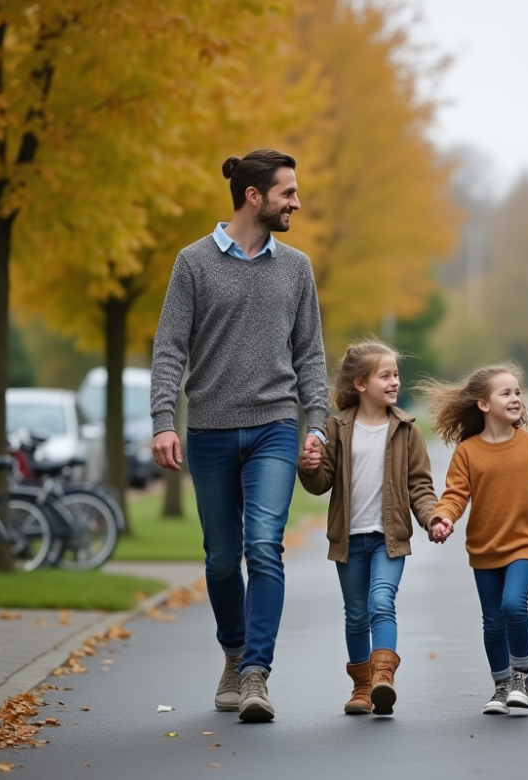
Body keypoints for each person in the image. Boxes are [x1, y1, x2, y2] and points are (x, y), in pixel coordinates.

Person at [150, 149, 330, 723]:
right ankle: (233, 651)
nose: (296, 203)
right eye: (288, 193)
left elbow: (310, 354)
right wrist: (162, 422)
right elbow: (170, 346)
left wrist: (317, 424)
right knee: (223, 558)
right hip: (208, 429)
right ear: (255, 196)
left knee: (264, 547)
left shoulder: (296, 267)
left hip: (275, 427)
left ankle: (255, 674)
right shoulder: (193, 263)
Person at [423, 364, 528, 715]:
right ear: (484, 404)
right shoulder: (467, 451)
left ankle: (521, 677)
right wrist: (443, 517)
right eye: (506, 393)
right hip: (484, 546)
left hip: (524, 542)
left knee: (514, 605)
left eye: (517, 392)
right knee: (492, 620)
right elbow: (455, 494)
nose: (515, 398)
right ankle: (500, 686)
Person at [297, 340, 437, 716]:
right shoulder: (337, 427)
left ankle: (383, 679)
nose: (395, 382)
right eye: (385, 375)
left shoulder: (407, 430)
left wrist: (432, 517)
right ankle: (361, 688)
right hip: (348, 538)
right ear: (360, 383)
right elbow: (321, 480)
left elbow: (420, 487)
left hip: (389, 539)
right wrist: (308, 467)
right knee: (356, 612)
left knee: (380, 602)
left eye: (396, 375)